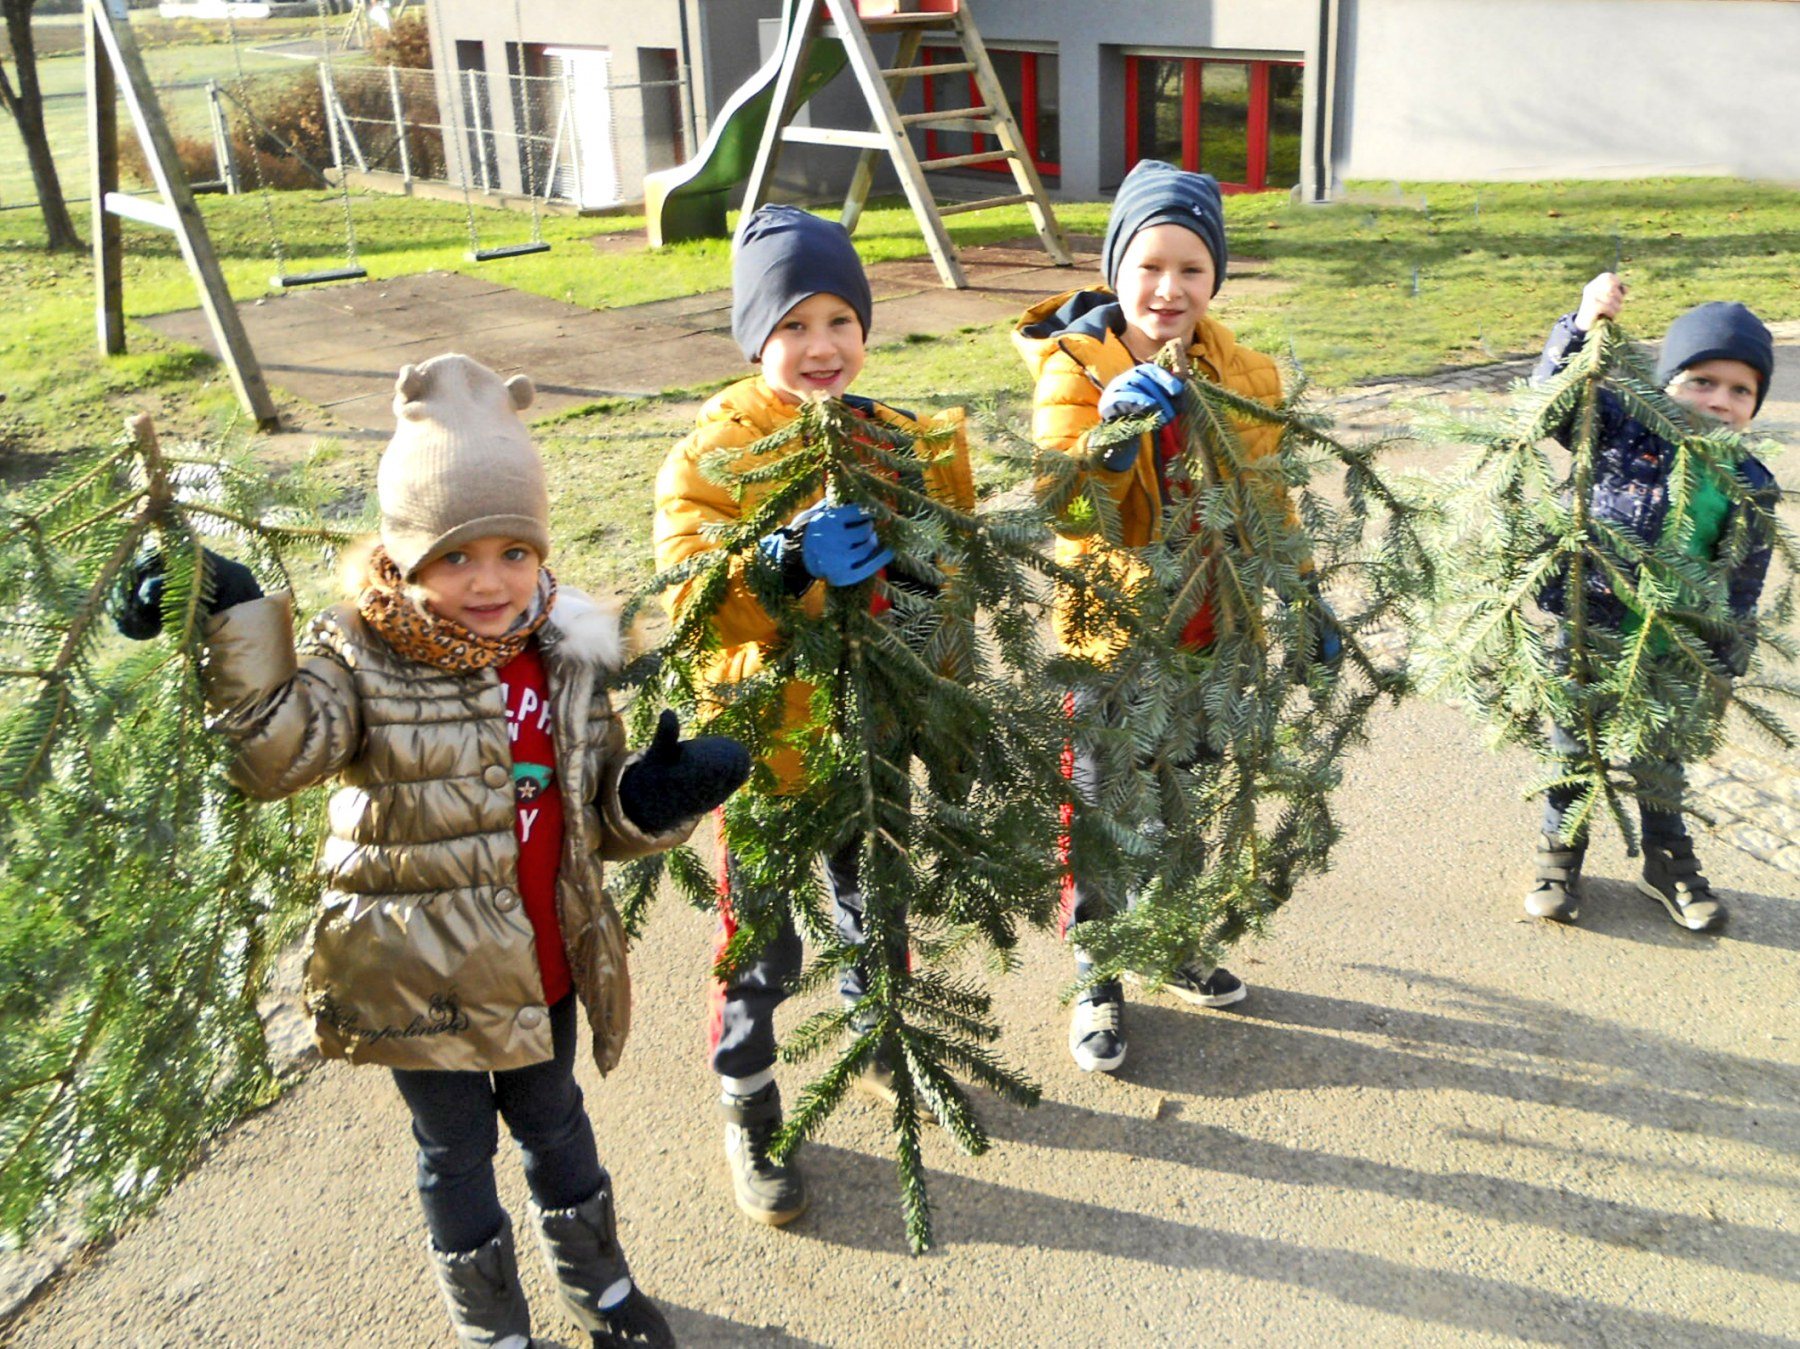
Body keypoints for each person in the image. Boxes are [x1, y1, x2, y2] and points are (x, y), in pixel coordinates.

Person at [116, 354, 749, 1349]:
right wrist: (232, 617)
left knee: (559, 1126)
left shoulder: (568, 656)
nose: (489, 580)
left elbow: (596, 816)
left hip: (544, 964)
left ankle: (604, 1288)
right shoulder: (362, 659)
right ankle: (491, 1322)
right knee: (454, 1152)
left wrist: (654, 799)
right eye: (455, 556)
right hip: (422, 980)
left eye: (512, 550)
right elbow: (275, 753)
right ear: (405, 559)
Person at [653, 205, 974, 1227]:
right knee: (760, 945)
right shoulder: (714, 454)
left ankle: (883, 1040)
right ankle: (749, 1100)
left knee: (874, 907)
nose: (821, 345)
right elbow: (691, 595)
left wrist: (936, 650)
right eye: (793, 323)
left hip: (869, 740)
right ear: (756, 338)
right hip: (763, 750)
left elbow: (951, 572)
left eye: (840, 318)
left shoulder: (898, 440)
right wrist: (780, 560)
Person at [1013, 159, 1335, 1074]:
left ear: (1215, 279)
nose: (1168, 288)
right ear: (1117, 269)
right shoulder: (1077, 368)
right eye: (1149, 266)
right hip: (1114, 639)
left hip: (1213, 633)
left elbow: (1269, 497)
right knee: (1108, 806)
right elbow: (1064, 505)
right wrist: (1111, 436)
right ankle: (1098, 970)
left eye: (1191, 269)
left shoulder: (1245, 373)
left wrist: (1302, 587)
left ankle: (1173, 937)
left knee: (1188, 799)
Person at [1524, 274, 1778, 931]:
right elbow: (1549, 403)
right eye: (1701, 380)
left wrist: (1722, 663)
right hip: (1593, 627)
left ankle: (1666, 861)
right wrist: (1582, 322)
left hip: (1675, 649)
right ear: (1665, 383)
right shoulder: (1619, 428)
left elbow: (1742, 584)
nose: (1719, 400)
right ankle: (1560, 852)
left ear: (1755, 404)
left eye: (1740, 389)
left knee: (1661, 763)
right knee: (1574, 750)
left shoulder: (1750, 482)